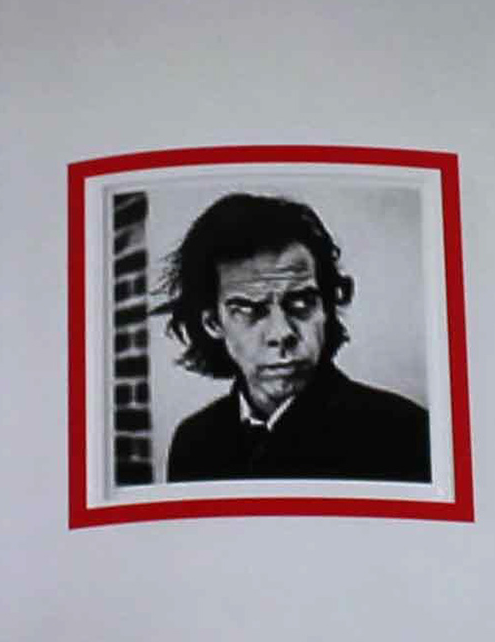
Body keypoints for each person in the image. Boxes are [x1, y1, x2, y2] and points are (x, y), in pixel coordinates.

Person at [157, 192, 433, 483]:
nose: (282, 333)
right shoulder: (193, 442)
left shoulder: (404, 433)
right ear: (213, 323)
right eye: (249, 309)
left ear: (327, 307)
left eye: (301, 302)